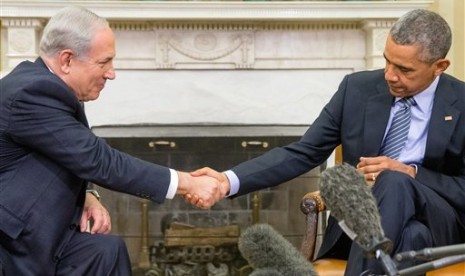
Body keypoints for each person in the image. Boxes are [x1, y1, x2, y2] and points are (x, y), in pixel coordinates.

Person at [189, 9, 465, 275]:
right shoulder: (357, 89)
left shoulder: (461, 102)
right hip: (363, 226)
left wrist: (411, 173)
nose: (390, 75)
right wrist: (227, 181)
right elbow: (303, 152)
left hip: (440, 222)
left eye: (404, 69)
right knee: (412, 236)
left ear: (439, 66)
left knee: (394, 180)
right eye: (387, 61)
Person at [0, 6, 224, 275]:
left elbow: (72, 150)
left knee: (108, 250)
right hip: (15, 245)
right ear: (67, 60)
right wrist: (187, 183)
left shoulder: (50, 86)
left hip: (45, 231)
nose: (111, 73)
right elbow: (97, 159)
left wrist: (89, 195)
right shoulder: (32, 93)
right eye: (104, 62)